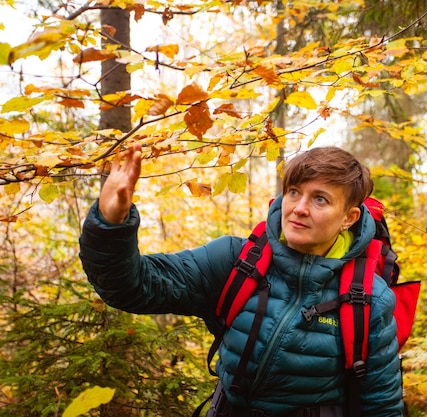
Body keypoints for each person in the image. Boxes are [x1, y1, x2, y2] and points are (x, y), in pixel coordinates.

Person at [79, 144, 404, 416]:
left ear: (349, 217)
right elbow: (133, 287)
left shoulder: (369, 300)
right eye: (293, 192)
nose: (299, 208)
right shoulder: (237, 261)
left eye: (320, 199)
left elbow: (382, 406)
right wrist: (110, 225)